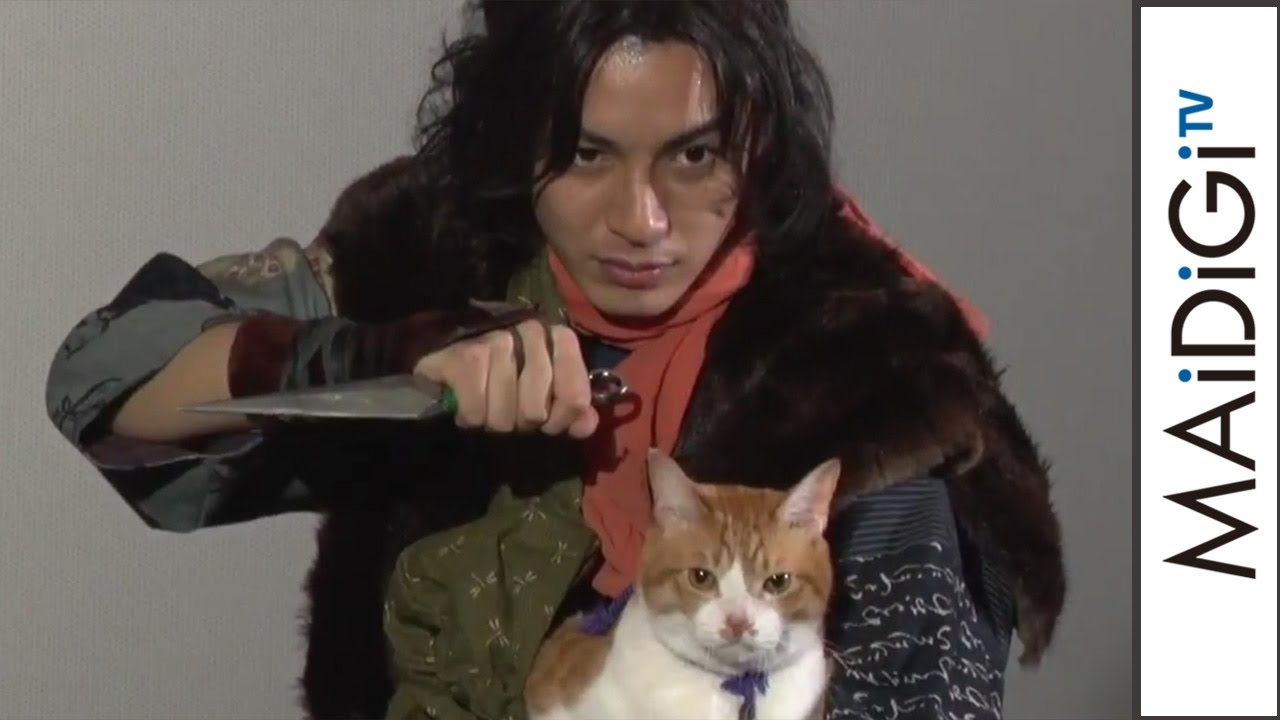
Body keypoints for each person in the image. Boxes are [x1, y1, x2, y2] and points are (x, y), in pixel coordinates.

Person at [44, 1, 1066, 719]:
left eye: (694, 155)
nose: (641, 220)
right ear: (512, 139)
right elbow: (104, 382)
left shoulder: (876, 380)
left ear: (760, 144)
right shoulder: (436, 247)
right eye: (584, 154)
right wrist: (391, 356)